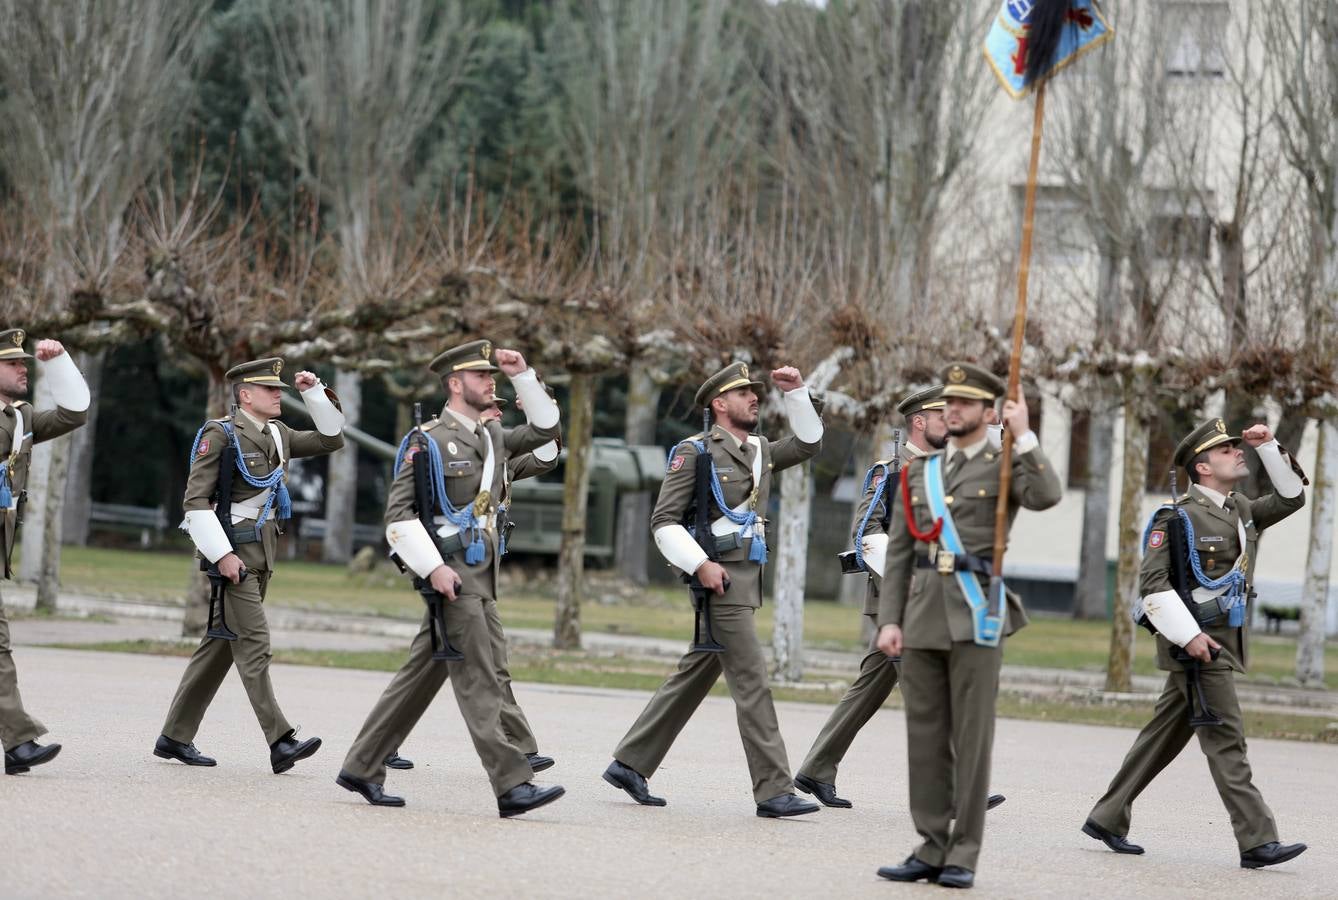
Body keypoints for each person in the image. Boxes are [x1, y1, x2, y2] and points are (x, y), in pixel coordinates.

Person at [336, 340, 566, 817]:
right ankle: (512, 784)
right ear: (456, 384)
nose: (491, 384)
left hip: (479, 575)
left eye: (493, 377)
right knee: (480, 678)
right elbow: (398, 517)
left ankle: (361, 766)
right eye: (483, 378)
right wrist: (435, 568)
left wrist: (524, 374)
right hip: (452, 574)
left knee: (419, 678)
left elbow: (547, 431)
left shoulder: (491, 438)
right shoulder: (428, 440)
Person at [1083, 418, 1308, 870]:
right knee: (1227, 741)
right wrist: (1190, 637)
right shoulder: (1177, 516)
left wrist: (1269, 448)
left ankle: (1107, 817)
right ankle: (1257, 840)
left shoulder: (1237, 509)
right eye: (1227, 450)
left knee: (1162, 736)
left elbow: (1291, 497)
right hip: (1198, 646)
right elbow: (1152, 586)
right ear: (1203, 467)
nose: (1236, 452)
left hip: (1219, 640)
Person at [602, 362, 824, 818]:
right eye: (744, 393)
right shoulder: (695, 451)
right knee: (752, 681)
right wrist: (700, 564)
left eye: (754, 392)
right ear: (719, 404)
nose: (754, 398)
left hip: (745, 577)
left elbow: (808, 443)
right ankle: (774, 790)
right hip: (718, 581)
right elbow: (663, 521)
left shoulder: (760, 449)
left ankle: (630, 762)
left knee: (697, 673)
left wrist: (798, 392)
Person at [874, 362, 1062, 889]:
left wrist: (1023, 435)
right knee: (925, 737)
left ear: (987, 411)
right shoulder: (918, 472)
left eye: (962, 403)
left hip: (978, 613)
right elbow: (900, 555)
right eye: (945, 404)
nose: (950, 411)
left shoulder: (1005, 467)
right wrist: (890, 619)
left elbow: (1048, 496)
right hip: (922, 615)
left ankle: (964, 853)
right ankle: (931, 845)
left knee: (972, 740)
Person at [154, 358, 344, 774]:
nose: (279, 394)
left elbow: (332, 439)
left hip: (262, 551)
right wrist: (221, 556)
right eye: (270, 389)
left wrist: (315, 393)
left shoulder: (279, 433)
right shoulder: (220, 434)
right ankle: (280, 740)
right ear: (245, 395)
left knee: (221, 644)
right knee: (254, 644)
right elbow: (195, 501)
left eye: (280, 388)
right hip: (233, 553)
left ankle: (174, 736)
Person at [0, 329, 90, 775]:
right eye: (13, 363)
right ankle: (18, 742)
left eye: (25, 363)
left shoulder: (21, 417)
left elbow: (76, 413)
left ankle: (18, 744)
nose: (22, 369)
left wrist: (58, 363)